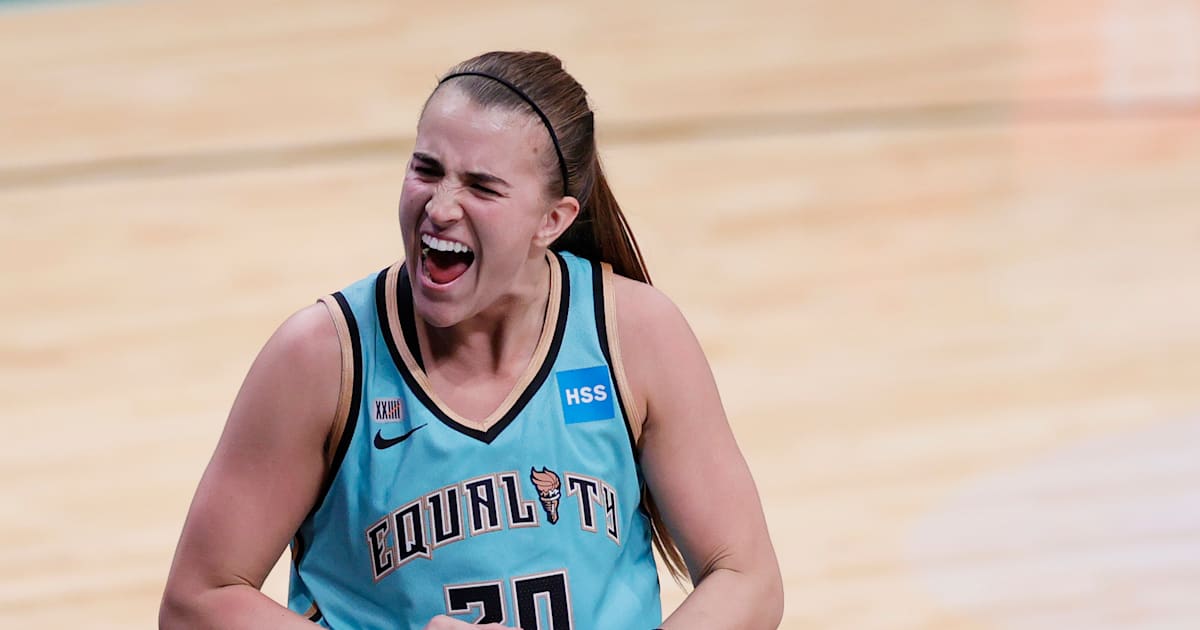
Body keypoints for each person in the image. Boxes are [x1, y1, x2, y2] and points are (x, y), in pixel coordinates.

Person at [160, 50, 783, 630]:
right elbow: (197, 600)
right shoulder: (322, 358)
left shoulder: (635, 334)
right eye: (426, 170)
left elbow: (747, 578)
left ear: (553, 219)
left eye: (481, 187)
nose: (440, 207)